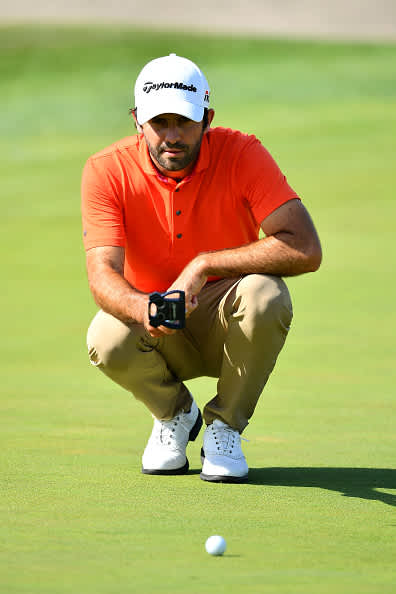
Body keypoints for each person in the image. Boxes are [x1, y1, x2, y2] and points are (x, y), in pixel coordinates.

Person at [81, 53, 322, 483]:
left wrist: (205, 263)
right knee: (105, 335)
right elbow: (102, 275)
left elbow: (304, 247)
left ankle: (224, 428)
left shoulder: (243, 153)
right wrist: (144, 309)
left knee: (265, 294)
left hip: (226, 319)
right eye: (160, 123)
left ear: (207, 118)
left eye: (185, 122)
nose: (172, 137)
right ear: (138, 120)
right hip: (158, 323)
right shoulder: (106, 170)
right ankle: (175, 415)